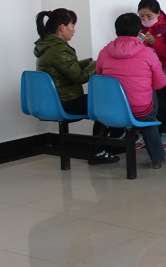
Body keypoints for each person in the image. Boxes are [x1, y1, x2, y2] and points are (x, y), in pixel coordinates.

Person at [34, 9, 119, 165]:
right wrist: (97, 64)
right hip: (66, 102)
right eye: (72, 25)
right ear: (62, 27)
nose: (74, 30)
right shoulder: (58, 50)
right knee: (107, 102)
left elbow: (67, 68)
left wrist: (88, 62)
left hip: (56, 100)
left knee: (103, 101)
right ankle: (99, 150)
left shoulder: (48, 46)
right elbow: (80, 77)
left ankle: (106, 145)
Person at [96, 13, 166, 169]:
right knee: (149, 105)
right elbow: (160, 83)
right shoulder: (148, 53)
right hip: (140, 110)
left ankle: (101, 150)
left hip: (110, 109)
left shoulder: (104, 52)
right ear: (139, 32)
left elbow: (99, 77)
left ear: (116, 31)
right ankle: (157, 158)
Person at [136, 0, 166, 151]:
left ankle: (165, 132)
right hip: (145, 75)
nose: (145, 19)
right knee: (134, 94)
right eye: (141, 16)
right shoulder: (138, 30)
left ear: (158, 13)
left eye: (148, 16)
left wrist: (154, 42)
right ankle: (143, 132)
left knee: (157, 95)